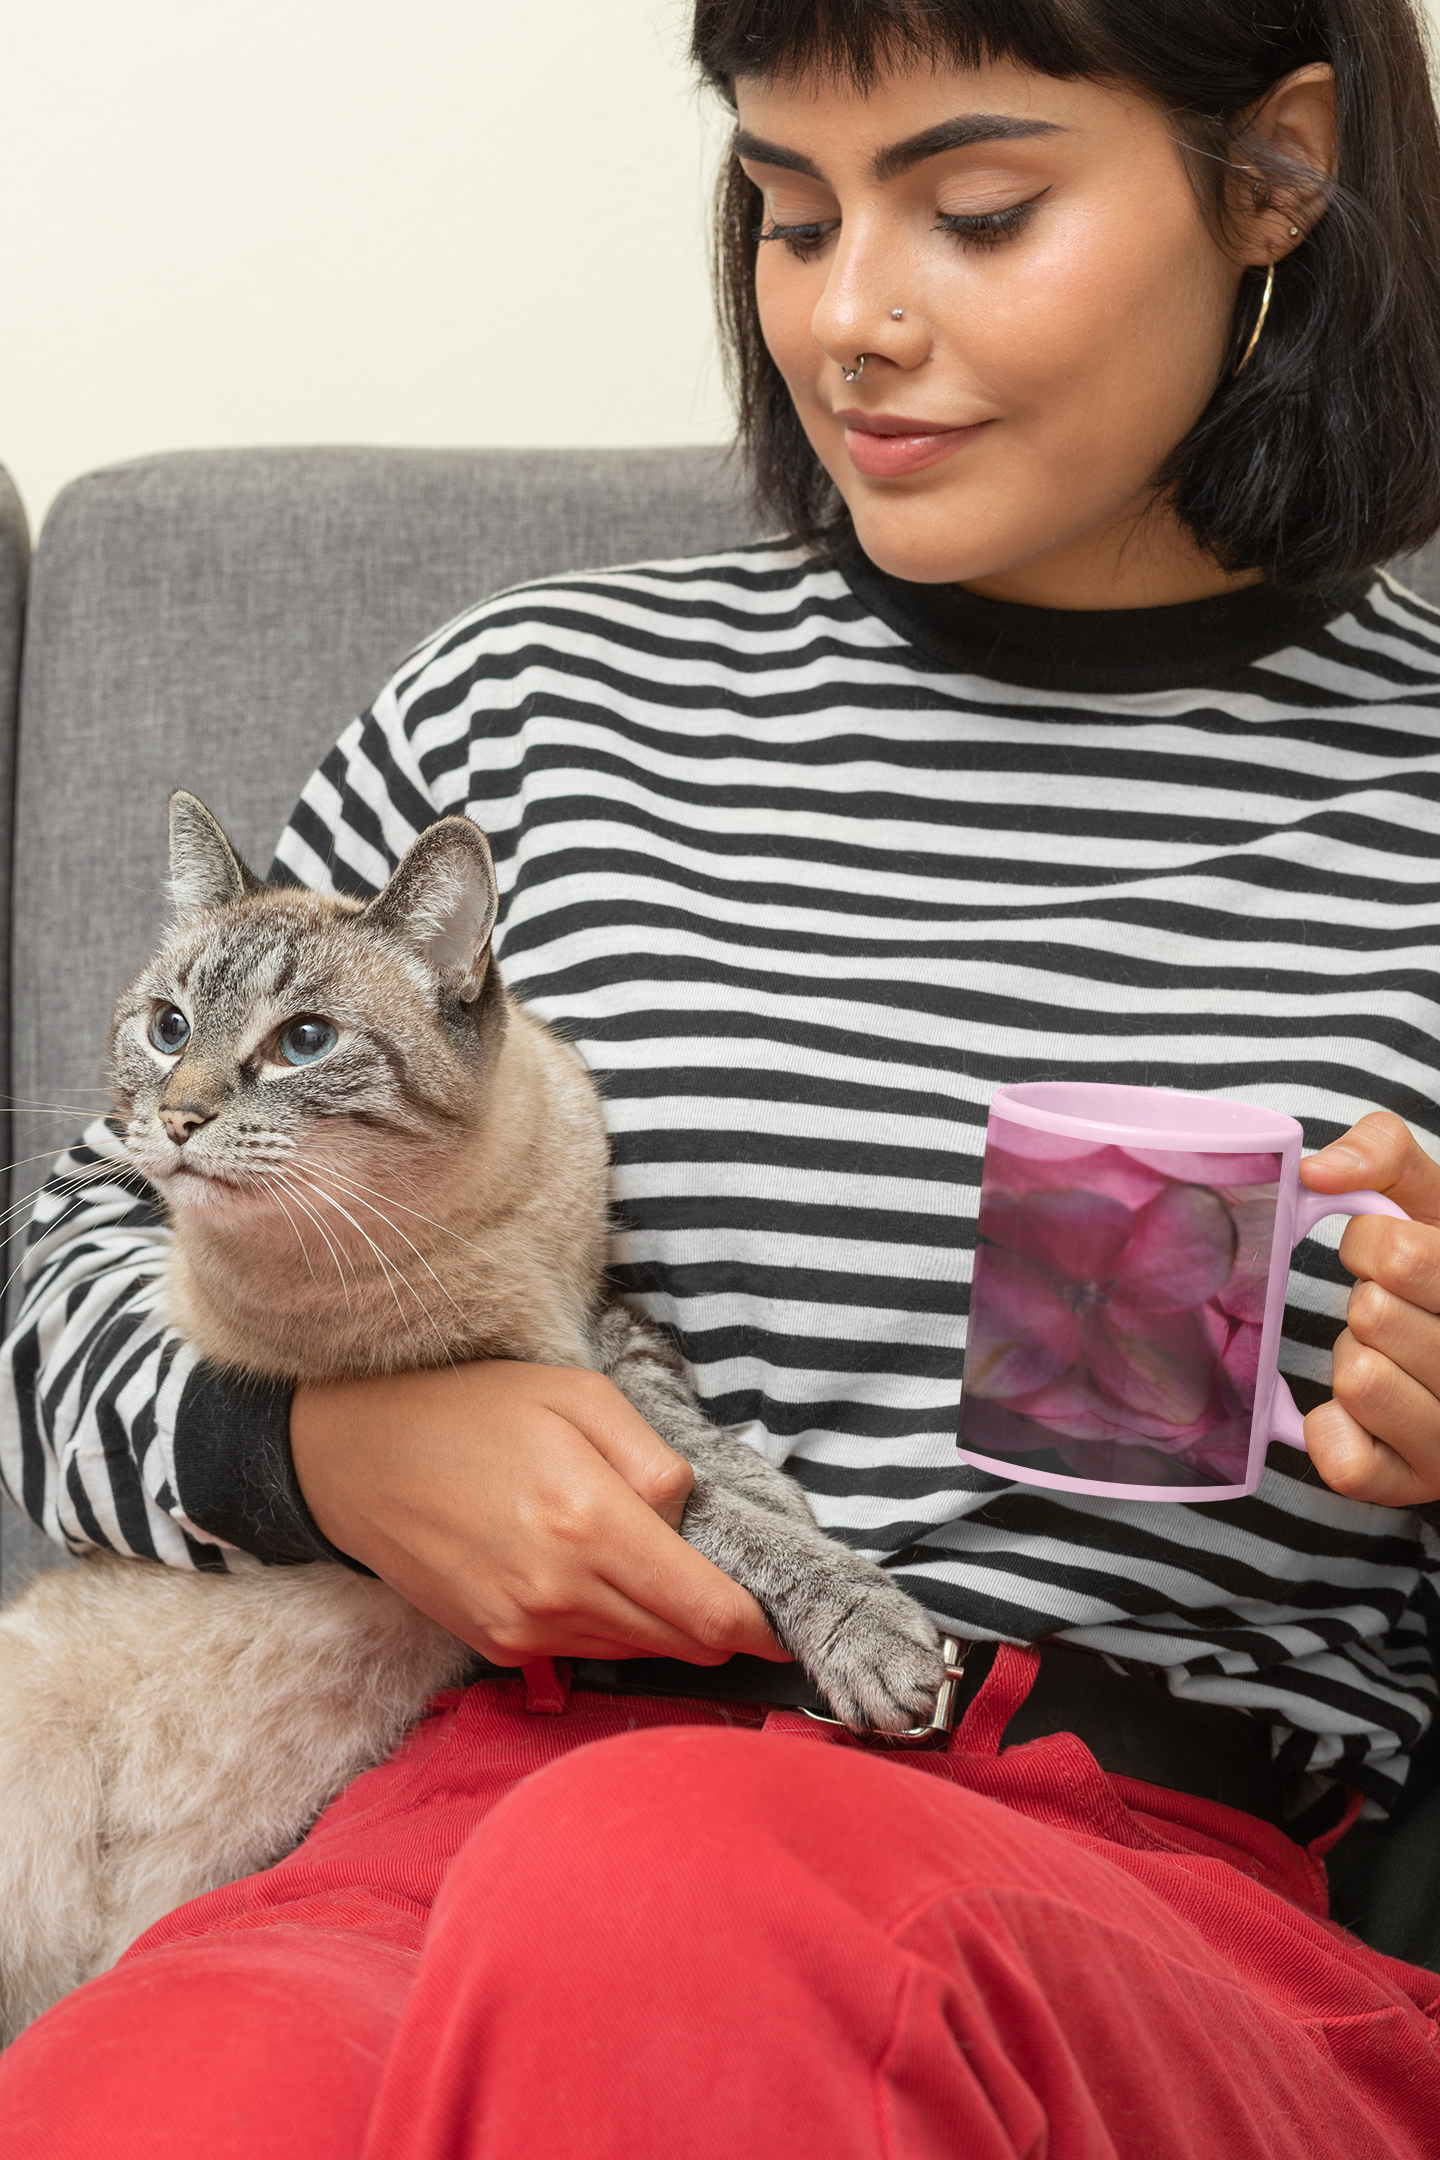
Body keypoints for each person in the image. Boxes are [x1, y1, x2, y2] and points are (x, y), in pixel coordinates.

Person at [2, 0, 1440, 2150]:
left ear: (1272, 177)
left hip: (1141, 1897)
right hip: (460, 1810)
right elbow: (71, 1285)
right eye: (782, 212)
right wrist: (327, 1457)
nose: (844, 317)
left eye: (975, 211)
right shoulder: (535, 715)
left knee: (672, 1893)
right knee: (161, 2094)